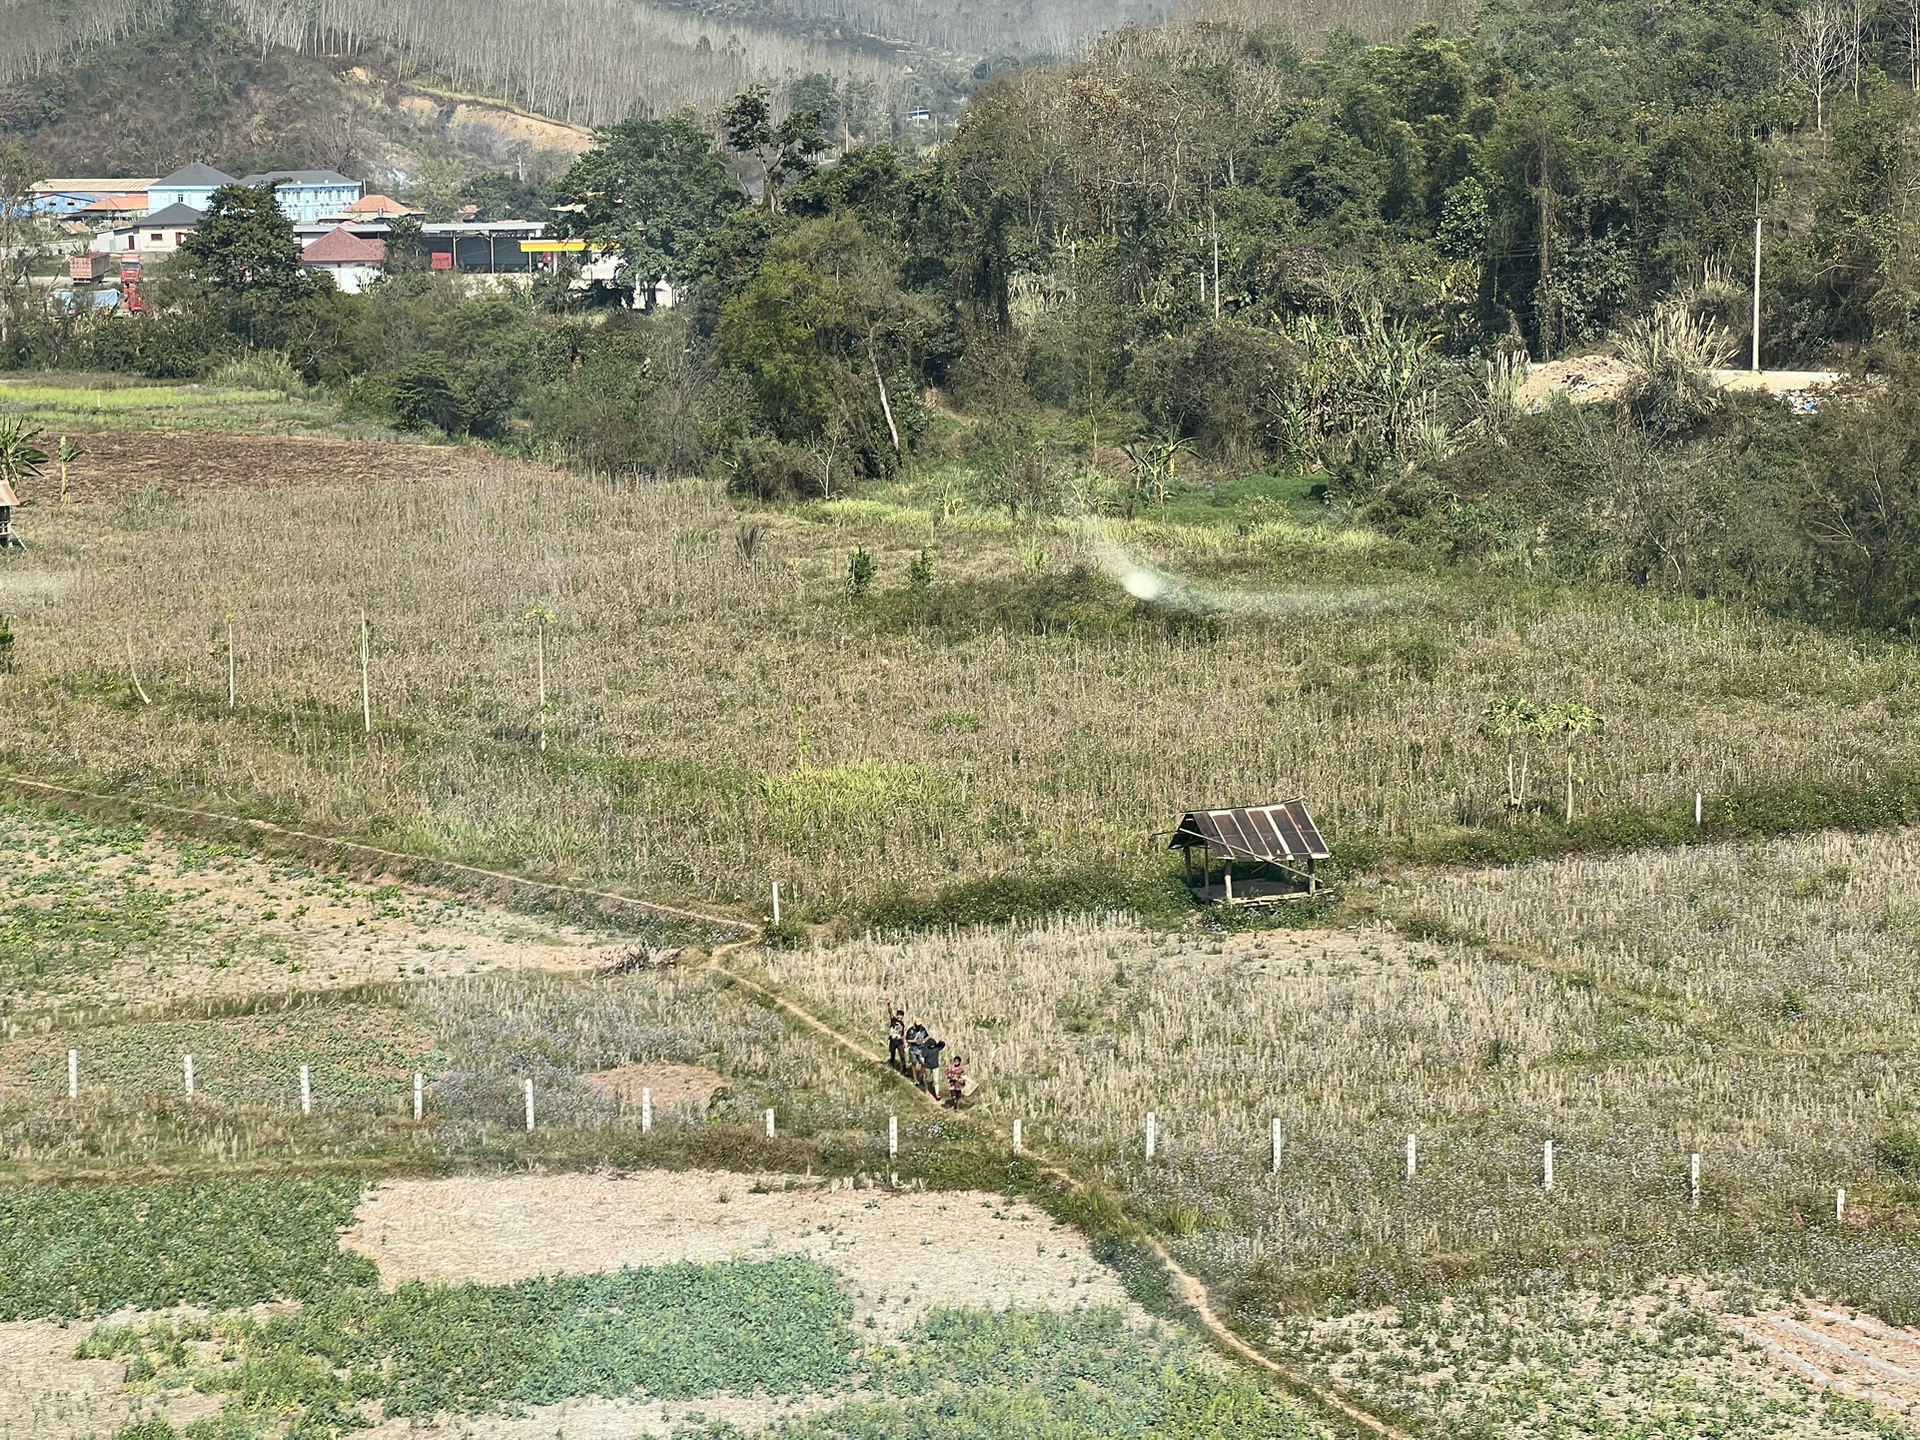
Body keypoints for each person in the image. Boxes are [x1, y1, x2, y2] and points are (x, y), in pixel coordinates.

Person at [887, 1008, 907, 1072]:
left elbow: (902, 1034)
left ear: (903, 1016)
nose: (899, 1016)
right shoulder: (893, 1020)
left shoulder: (902, 1024)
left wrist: (904, 1043)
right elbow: (890, 1012)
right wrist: (889, 1005)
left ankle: (904, 1069)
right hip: (893, 1040)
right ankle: (892, 1066)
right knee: (892, 1054)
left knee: (902, 1055)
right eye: (898, 1015)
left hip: (899, 1041)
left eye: (901, 1015)